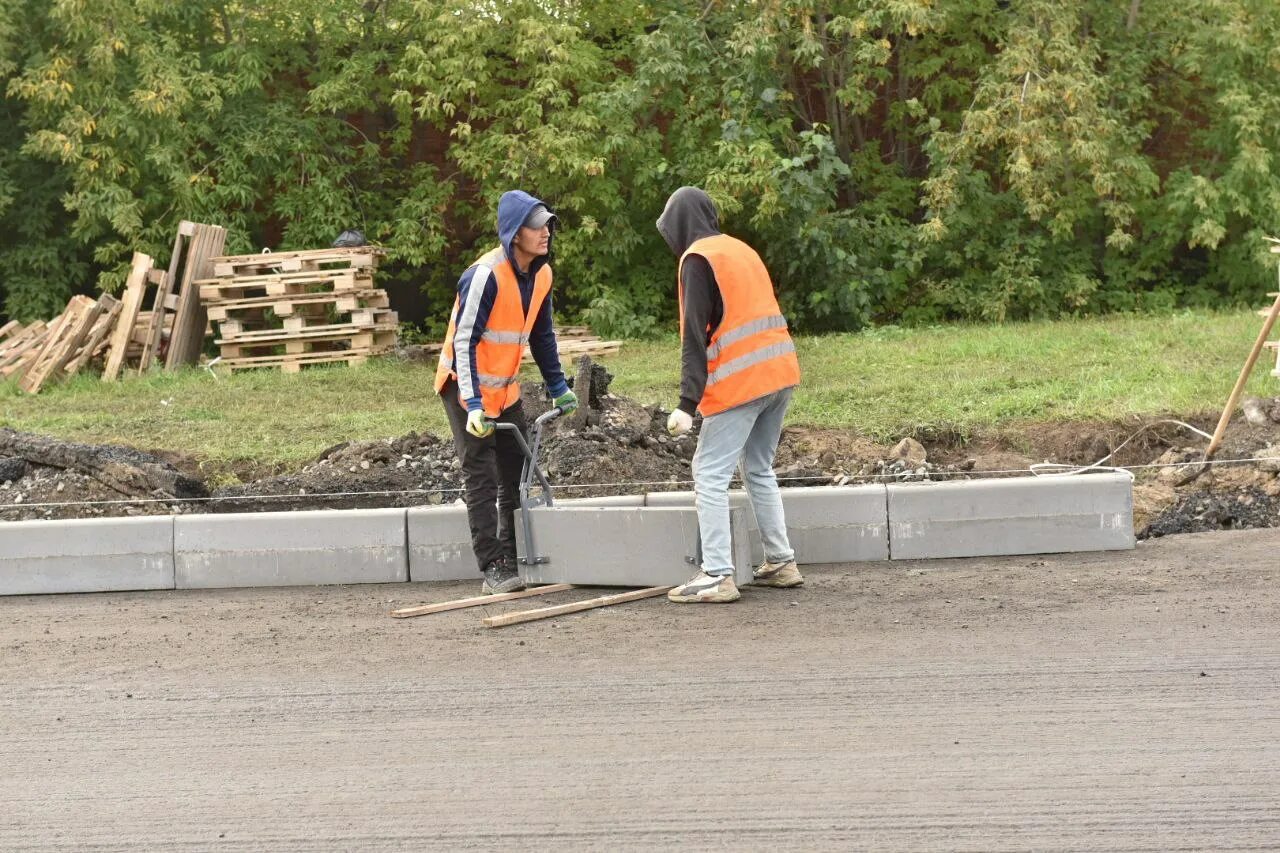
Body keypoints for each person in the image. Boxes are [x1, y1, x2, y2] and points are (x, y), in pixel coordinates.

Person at [655, 186, 803, 603]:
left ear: (678, 226)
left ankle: (717, 574)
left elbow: (694, 338)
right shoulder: (740, 249)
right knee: (759, 468)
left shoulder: (697, 260)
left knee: (709, 473)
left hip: (742, 382)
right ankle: (781, 561)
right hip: (780, 373)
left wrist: (687, 403)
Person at [435, 191, 578, 595]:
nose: (547, 232)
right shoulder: (485, 275)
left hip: (504, 388)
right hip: (465, 387)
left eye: (549, 224)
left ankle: (516, 555)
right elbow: (465, 343)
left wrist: (558, 386)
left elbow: (542, 335)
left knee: (517, 470)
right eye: (538, 225)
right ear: (516, 234)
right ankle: (493, 565)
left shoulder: (542, 275)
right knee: (479, 471)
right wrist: (474, 405)